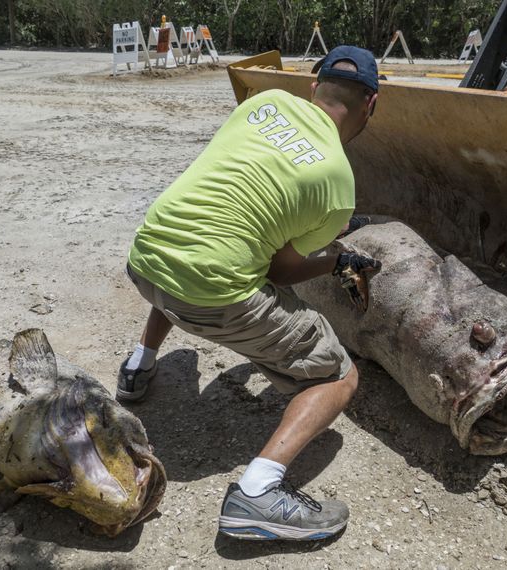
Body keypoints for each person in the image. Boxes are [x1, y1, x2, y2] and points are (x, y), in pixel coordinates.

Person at [118, 46, 382, 541]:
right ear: (371, 106)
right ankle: (258, 495)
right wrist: (337, 258)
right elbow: (279, 274)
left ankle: (139, 365)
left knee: (205, 250)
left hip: (147, 260)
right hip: (208, 294)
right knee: (339, 377)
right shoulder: (337, 183)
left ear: (313, 87)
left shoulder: (261, 105)